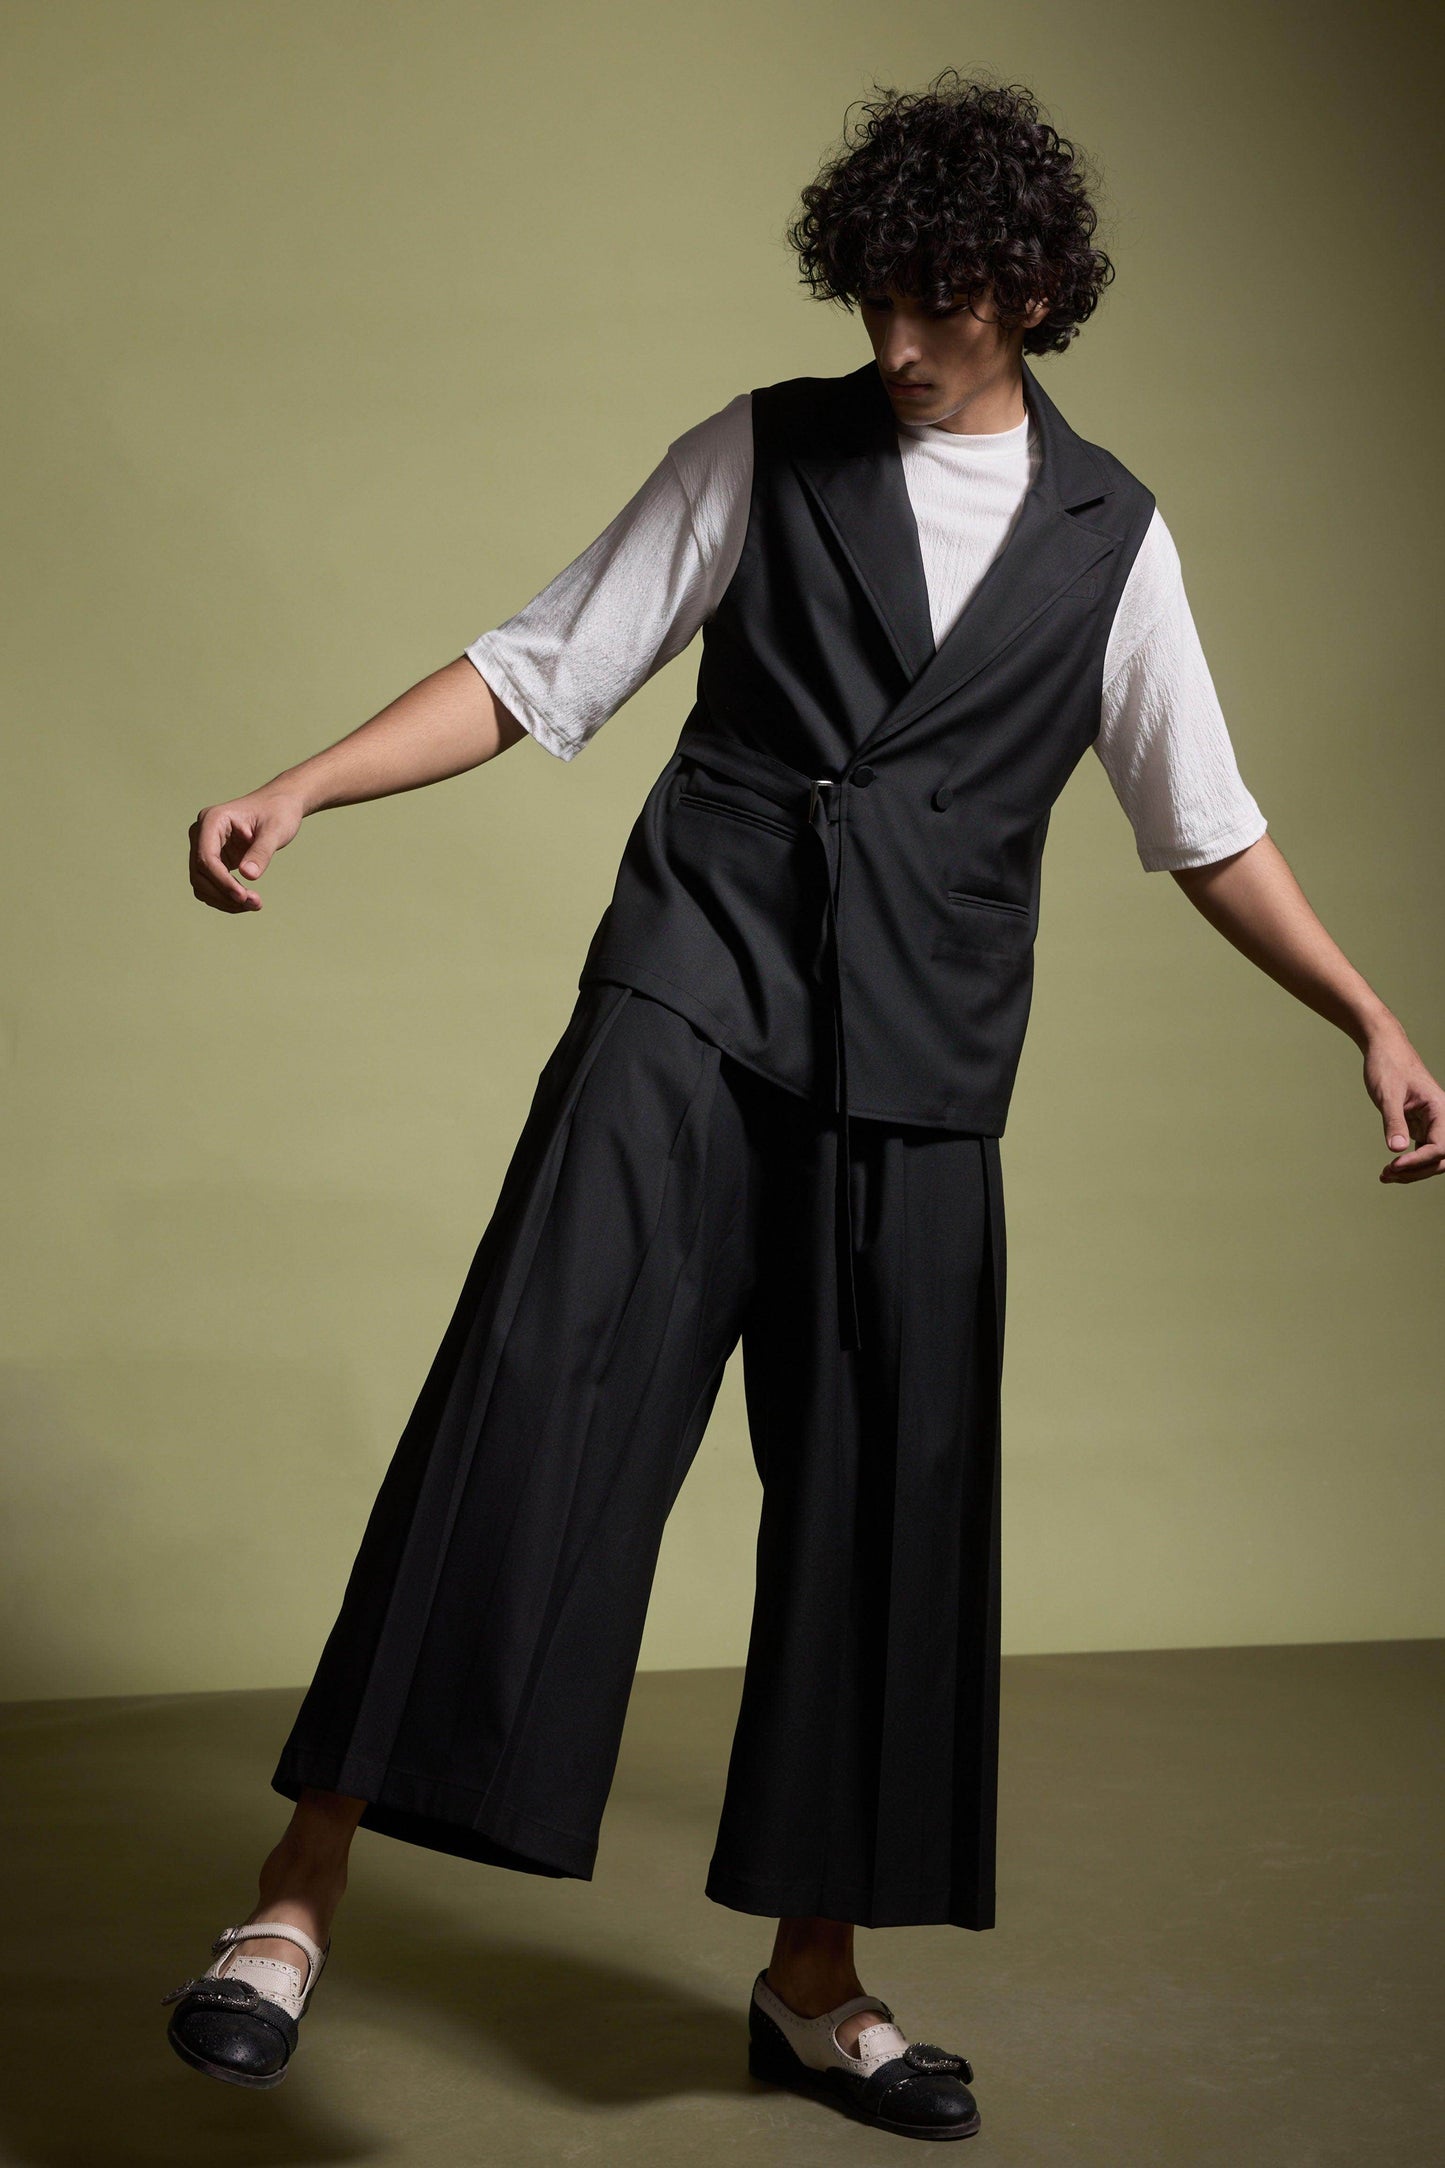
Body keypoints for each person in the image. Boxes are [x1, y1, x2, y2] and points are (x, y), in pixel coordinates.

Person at [165, 72, 1442, 2141]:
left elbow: (1204, 824)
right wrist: (302, 783)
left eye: (937, 301)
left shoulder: (1113, 538)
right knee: (523, 1411)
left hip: (924, 1065)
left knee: (885, 1518)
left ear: (1028, 293)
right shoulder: (761, 449)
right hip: (690, 996)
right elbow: (539, 666)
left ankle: (814, 1974)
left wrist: (1366, 1016)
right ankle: (290, 1903)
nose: (896, 340)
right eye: (872, 295)